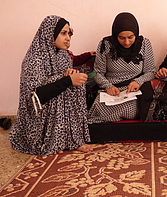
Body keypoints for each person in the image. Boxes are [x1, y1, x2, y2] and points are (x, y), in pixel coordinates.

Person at [9, 15, 93, 156]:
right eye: (63, 33)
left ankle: (70, 139)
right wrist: (67, 80)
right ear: (49, 34)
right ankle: (52, 140)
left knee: (77, 85)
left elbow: (61, 81)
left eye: (69, 33)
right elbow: (35, 98)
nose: (68, 38)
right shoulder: (34, 59)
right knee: (68, 84)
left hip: (51, 107)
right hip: (35, 115)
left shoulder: (63, 56)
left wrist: (69, 74)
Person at [88, 12, 156, 123]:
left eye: (130, 37)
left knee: (135, 108)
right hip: (111, 90)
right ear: (115, 35)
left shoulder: (144, 44)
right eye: (121, 38)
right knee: (99, 107)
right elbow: (97, 73)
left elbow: (151, 71)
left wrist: (138, 82)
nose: (126, 42)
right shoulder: (105, 45)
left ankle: (107, 122)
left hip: (134, 89)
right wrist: (108, 86)